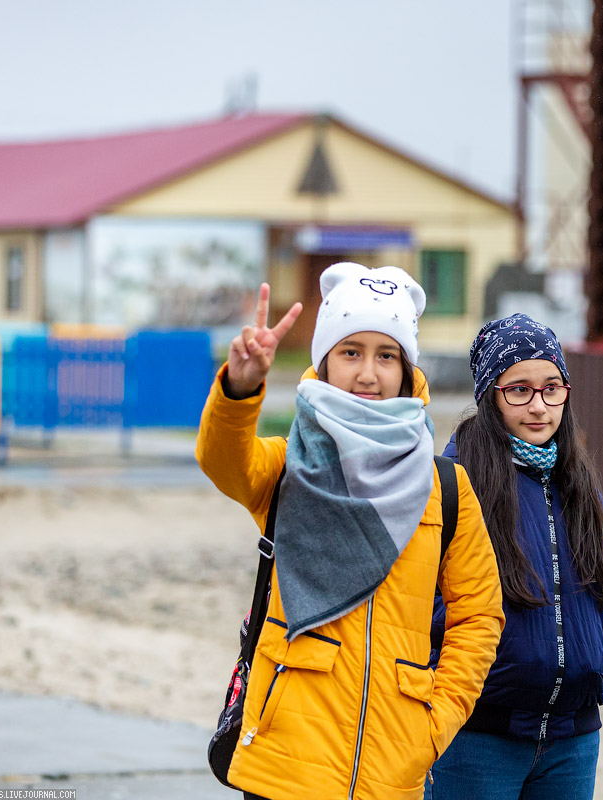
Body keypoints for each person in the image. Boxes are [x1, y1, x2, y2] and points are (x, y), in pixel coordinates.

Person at [196, 262, 505, 800]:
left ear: (408, 370)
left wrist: (433, 723)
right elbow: (225, 461)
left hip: (391, 766)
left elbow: (479, 617)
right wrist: (240, 390)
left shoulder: (446, 487)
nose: (368, 374)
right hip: (285, 762)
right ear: (325, 362)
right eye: (351, 352)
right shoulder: (292, 466)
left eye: (387, 355)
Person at [427, 314, 603, 800]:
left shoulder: (579, 483)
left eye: (552, 388)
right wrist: (496, 664)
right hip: (476, 737)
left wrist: (600, 648)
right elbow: (426, 600)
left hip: (573, 738)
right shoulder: (454, 484)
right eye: (518, 389)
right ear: (489, 396)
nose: (539, 406)